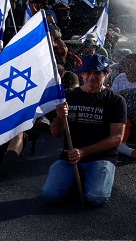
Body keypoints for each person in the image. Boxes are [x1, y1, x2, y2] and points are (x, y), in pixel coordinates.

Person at [41, 54, 127, 206]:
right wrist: (60, 118)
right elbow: (55, 133)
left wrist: (83, 152)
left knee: (96, 198)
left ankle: (84, 180)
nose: (92, 77)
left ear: (106, 75)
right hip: (70, 157)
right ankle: (75, 180)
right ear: (81, 74)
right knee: (50, 195)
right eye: (87, 72)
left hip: (101, 157)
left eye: (97, 73)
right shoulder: (68, 96)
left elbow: (116, 138)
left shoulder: (116, 100)